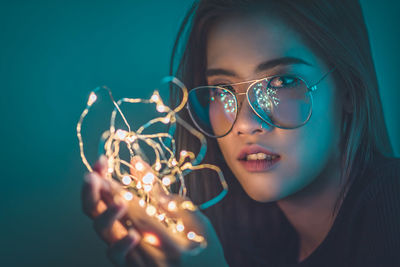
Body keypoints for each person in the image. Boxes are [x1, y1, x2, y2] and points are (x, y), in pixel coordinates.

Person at [81, 0, 400, 266]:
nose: (247, 122)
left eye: (281, 82)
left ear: (348, 88)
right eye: (222, 88)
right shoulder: (252, 245)